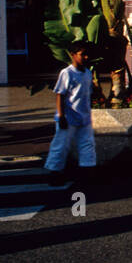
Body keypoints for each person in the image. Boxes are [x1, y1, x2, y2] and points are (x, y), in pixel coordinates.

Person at [45, 42, 96, 181]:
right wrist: (61, 116)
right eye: (82, 54)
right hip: (68, 117)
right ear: (73, 55)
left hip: (84, 117)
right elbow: (60, 95)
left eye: (87, 54)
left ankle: (87, 170)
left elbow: (88, 93)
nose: (86, 57)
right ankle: (54, 171)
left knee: (87, 144)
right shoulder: (67, 73)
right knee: (61, 145)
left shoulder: (87, 73)